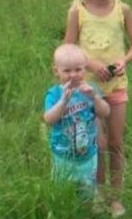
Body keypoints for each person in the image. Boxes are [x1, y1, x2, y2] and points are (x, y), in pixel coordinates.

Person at [64, 0, 132, 217]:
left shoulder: (123, 10)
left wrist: (124, 60)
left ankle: (116, 198)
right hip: (89, 89)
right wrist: (90, 64)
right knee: (98, 144)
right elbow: (68, 47)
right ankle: (98, 192)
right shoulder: (77, 12)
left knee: (116, 143)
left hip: (117, 87)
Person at [43, 43, 111, 197]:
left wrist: (94, 97)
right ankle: (66, 210)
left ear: (85, 69)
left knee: (87, 192)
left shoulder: (90, 89)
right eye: (67, 71)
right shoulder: (54, 94)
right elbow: (48, 119)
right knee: (62, 194)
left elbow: (105, 112)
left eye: (78, 69)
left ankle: (87, 209)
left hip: (87, 155)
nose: (73, 75)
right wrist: (63, 102)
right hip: (62, 155)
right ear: (56, 71)